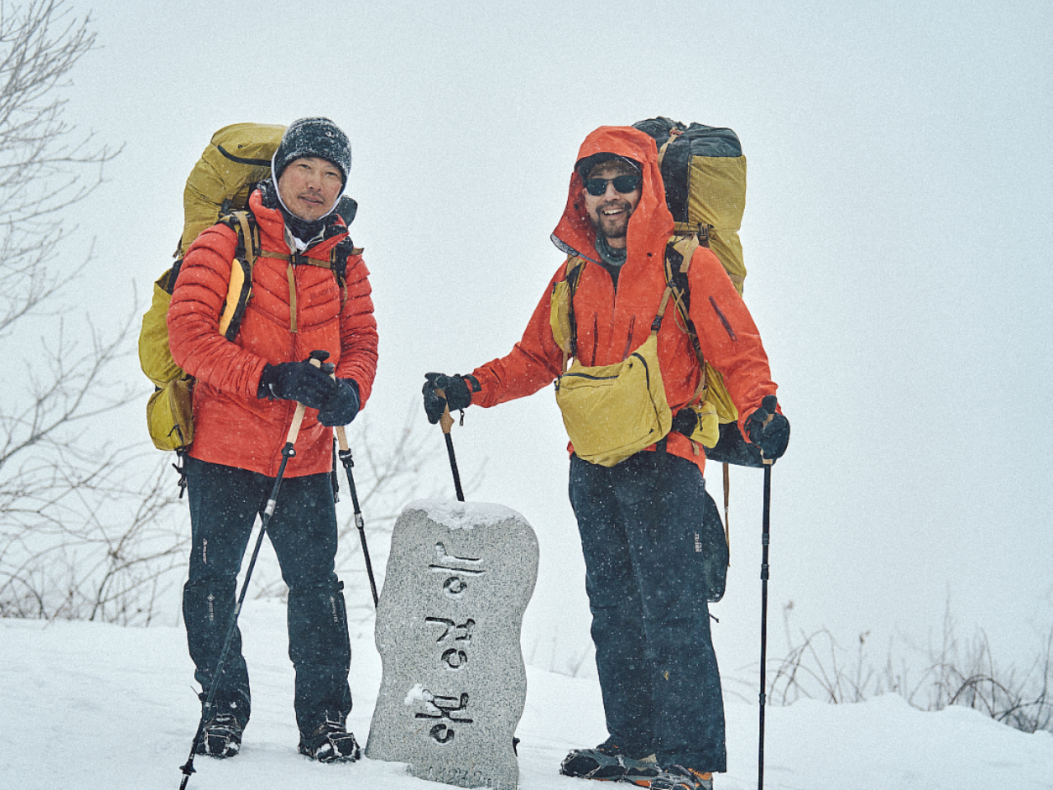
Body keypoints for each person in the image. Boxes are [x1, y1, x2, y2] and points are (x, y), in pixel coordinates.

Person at [421, 125, 789, 790]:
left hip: (666, 456)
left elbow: (737, 345)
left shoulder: (686, 264)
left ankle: (691, 760)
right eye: (597, 184)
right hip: (592, 464)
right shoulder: (574, 275)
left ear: (646, 186)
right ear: (581, 194)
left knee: (673, 608)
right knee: (613, 607)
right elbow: (534, 358)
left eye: (623, 181)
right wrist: (467, 388)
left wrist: (763, 409)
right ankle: (636, 747)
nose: (610, 195)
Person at [167, 117, 377, 764]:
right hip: (222, 449)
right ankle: (221, 708)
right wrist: (267, 377)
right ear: (279, 172)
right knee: (212, 581)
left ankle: (323, 720)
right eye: (305, 169)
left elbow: (363, 344)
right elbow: (189, 337)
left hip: (308, 453)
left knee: (316, 588)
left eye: (330, 175)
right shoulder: (224, 241)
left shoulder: (346, 257)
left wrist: (350, 391)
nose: (316, 185)